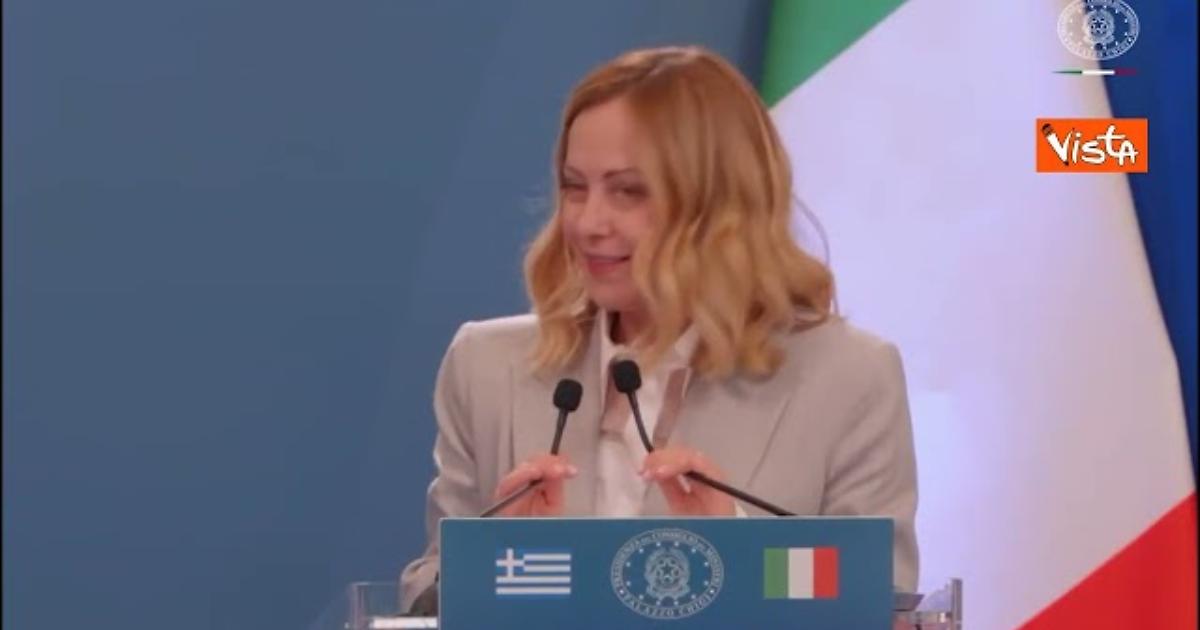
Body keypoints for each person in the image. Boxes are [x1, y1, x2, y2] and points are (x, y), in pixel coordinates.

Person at [400, 45, 918, 610]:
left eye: (628, 191)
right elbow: (423, 596)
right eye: (575, 187)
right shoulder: (486, 366)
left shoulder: (847, 377)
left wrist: (741, 555)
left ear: (719, 205)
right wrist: (492, 566)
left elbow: (878, 602)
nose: (588, 222)